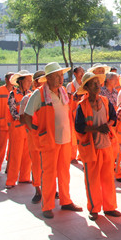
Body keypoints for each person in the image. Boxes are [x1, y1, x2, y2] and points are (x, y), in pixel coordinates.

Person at [24, 62, 82, 219]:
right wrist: (36, 131)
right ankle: (47, 205)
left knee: (64, 173)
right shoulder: (39, 94)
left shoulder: (63, 91)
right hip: (49, 140)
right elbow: (27, 115)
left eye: (61, 75)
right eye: (56, 76)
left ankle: (66, 201)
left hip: (65, 139)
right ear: (48, 78)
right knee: (49, 174)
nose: (60, 79)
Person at [74, 72, 121, 221]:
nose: (97, 86)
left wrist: (107, 125)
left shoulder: (105, 101)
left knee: (108, 178)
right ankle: (94, 208)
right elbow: (79, 127)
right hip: (91, 147)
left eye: (97, 83)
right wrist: (96, 129)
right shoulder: (82, 106)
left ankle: (110, 207)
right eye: (93, 84)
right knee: (92, 180)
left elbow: (113, 117)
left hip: (106, 145)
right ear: (87, 87)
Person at [5, 70, 33, 189]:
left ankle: (24, 177)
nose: (30, 83)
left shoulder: (31, 94)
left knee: (27, 154)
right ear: (20, 82)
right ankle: (11, 180)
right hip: (17, 128)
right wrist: (25, 118)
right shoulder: (13, 94)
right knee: (15, 155)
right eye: (27, 81)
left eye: (30, 81)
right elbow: (13, 112)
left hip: (27, 129)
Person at [24, 70, 45, 204]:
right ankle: (38, 189)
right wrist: (34, 129)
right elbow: (24, 118)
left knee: (49, 164)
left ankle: (50, 188)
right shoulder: (28, 98)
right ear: (36, 82)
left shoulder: (50, 96)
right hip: (35, 136)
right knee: (36, 164)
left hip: (47, 136)